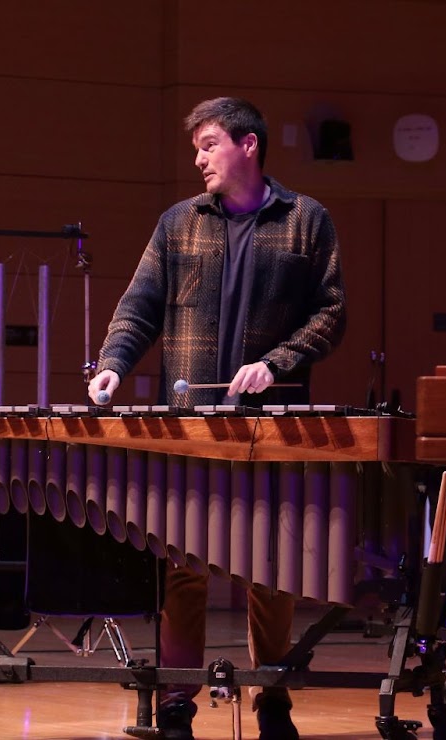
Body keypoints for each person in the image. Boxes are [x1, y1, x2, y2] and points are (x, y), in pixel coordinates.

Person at [87, 97, 345, 740]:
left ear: (248, 145)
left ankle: (273, 696)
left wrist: (278, 363)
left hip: (272, 422)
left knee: (274, 565)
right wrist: (113, 362)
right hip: (193, 423)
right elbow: (139, 306)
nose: (199, 159)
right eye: (197, 148)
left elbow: (331, 313)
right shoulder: (178, 223)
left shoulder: (306, 220)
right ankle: (177, 700)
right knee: (183, 560)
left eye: (208, 145)